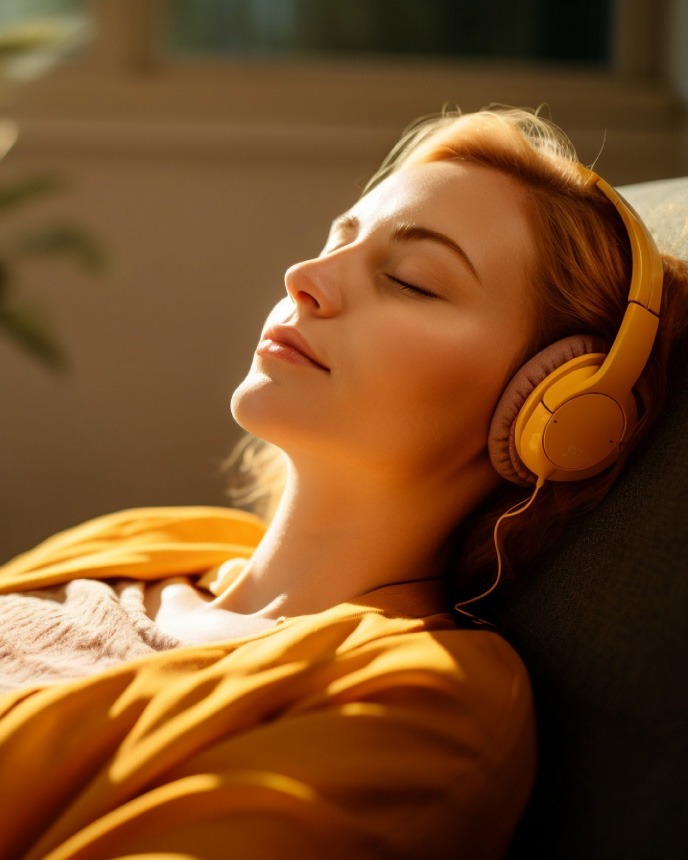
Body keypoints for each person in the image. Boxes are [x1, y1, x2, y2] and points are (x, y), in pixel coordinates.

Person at [0, 107, 686, 860]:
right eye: (339, 239)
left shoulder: (416, 702)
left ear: (550, 410)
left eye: (411, 280)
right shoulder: (142, 539)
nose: (306, 278)